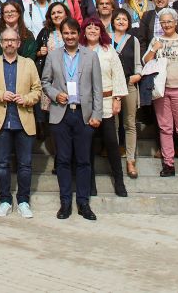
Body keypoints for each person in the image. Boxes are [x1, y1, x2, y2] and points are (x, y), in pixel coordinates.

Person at [40, 18, 103, 220]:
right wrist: (54, 93)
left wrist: (97, 114)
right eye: (66, 33)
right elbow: (45, 82)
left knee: (84, 161)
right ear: (62, 34)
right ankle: (65, 202)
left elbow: (97, 89)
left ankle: (83, 203)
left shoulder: (91, 56)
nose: (69, 37)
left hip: (83, 115)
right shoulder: (53, 56)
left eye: (73, 33)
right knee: (64, 160)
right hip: (61, 113)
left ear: (79, 34)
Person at [0, 26, 42, 218]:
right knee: (2, 164)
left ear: (18, 43)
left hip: (23, 119)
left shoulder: (28, 64)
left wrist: (27, 99)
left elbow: (37, 90)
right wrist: (0, 95)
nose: (9, 43)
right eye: (5, 40)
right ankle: (5, 200)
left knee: (25, 164)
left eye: (12, 40)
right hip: (1, 120)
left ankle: (23, 201)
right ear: (0, 43)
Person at [146, 7, 178, 179]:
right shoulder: (156, 39)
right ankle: (168, 164)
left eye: (169, 21)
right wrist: (154, 49)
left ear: (176, 22)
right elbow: (145, 61)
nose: (166, 24)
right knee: (165, 128)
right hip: (162, 90)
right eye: (163, 22)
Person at [85, 17, 129, 199]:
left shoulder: (108, 50)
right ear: (84, 31)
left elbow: (118, 74)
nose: (93, 31)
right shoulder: (80, 51)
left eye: (96, 28)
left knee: (111, 143)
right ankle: (90, 183)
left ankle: (119, 181)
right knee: (88, 146)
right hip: (87, 105)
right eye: (89, 28)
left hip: (107, 101)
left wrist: (117, 97)